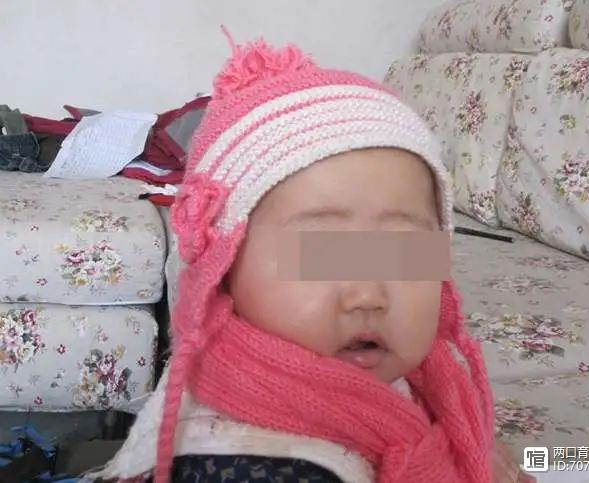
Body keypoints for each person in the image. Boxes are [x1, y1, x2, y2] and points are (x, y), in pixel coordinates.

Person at [86, 28, 534, 483]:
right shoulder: (257, 465)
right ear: (223, 270)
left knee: (573, 459)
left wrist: (473, 454)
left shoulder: (428, 382)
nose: (367, 294)